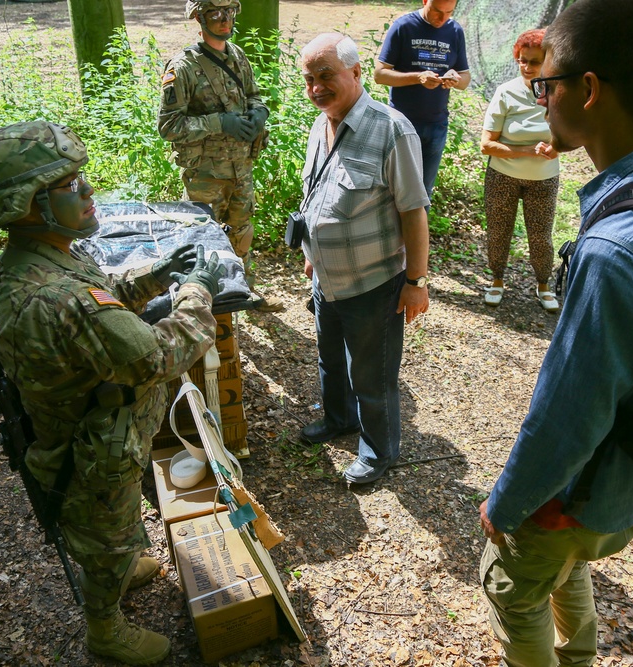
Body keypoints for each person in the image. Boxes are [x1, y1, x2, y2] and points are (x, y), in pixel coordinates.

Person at [477, 0, 633, 665]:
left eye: (545, 83)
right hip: (627, 484)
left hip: (576, 493)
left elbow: (569, 416)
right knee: (568, 567)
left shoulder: (616, 251)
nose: (539, 95)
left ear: (587, 89)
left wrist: (507, 500)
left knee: (512, 589)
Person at [0, 121, 224, 666]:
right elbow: (158, 355)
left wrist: (157, 275)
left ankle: (125, 559)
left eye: (80, 178)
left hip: (100, 432)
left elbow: (103, 298)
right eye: (70, 186)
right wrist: (199, 290)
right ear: (27, 205)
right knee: (103, 538)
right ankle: (105, 629)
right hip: (91, 449)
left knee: (117, 516)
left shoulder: (43, 256)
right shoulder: (59, 297)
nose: (87, 192)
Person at [298, 33, 430, 485]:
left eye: (326, 75)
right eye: (309, 79)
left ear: (356, 73)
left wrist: (416, 280)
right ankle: (339, 419)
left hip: (373, 283)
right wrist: (312, 254)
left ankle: (378, 454)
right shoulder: (321, 123)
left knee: (372, 376)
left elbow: (413, 211)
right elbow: (318, 197)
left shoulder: (391, 129)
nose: (316, 87)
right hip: (327, 278)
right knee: (331, 360)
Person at [158, 0, 284, 312]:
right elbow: (168, 126)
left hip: (240, 167)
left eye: (230, 13)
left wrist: (258, 113)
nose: (225, 20)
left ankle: (243, 291)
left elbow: (253, 95)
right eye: (216, 14)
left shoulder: (237, 55)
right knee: (204, 239)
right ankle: (203, 305)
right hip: (205, 174)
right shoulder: (183, 67)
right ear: (199, 18)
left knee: (241, 231)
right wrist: (220, 123)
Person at [479, 28, 560, 312]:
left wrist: (557, 148)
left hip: (544, 178)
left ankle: (544, 285)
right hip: (503, 175)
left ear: (549, 60)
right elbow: (486, 145)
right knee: (499, 231)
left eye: (534, 61)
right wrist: (525, 151)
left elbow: (573, 133)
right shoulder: (506, 92)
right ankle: (497, 281)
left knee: (541, 235)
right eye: (522, 60)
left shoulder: (558, 92)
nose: (527, 67)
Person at [374, 0, 471, 199]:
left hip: (436, 125)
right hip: (402, 124)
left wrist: (455, 78)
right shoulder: (404, 26)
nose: (442, 18)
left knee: (424, 192)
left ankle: (418, 231)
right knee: (394, 189)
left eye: (449, 12)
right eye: (437, 11)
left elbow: (465, 80)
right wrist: (417, 77)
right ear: (425, 1)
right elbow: (380, 74)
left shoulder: (454, 31)